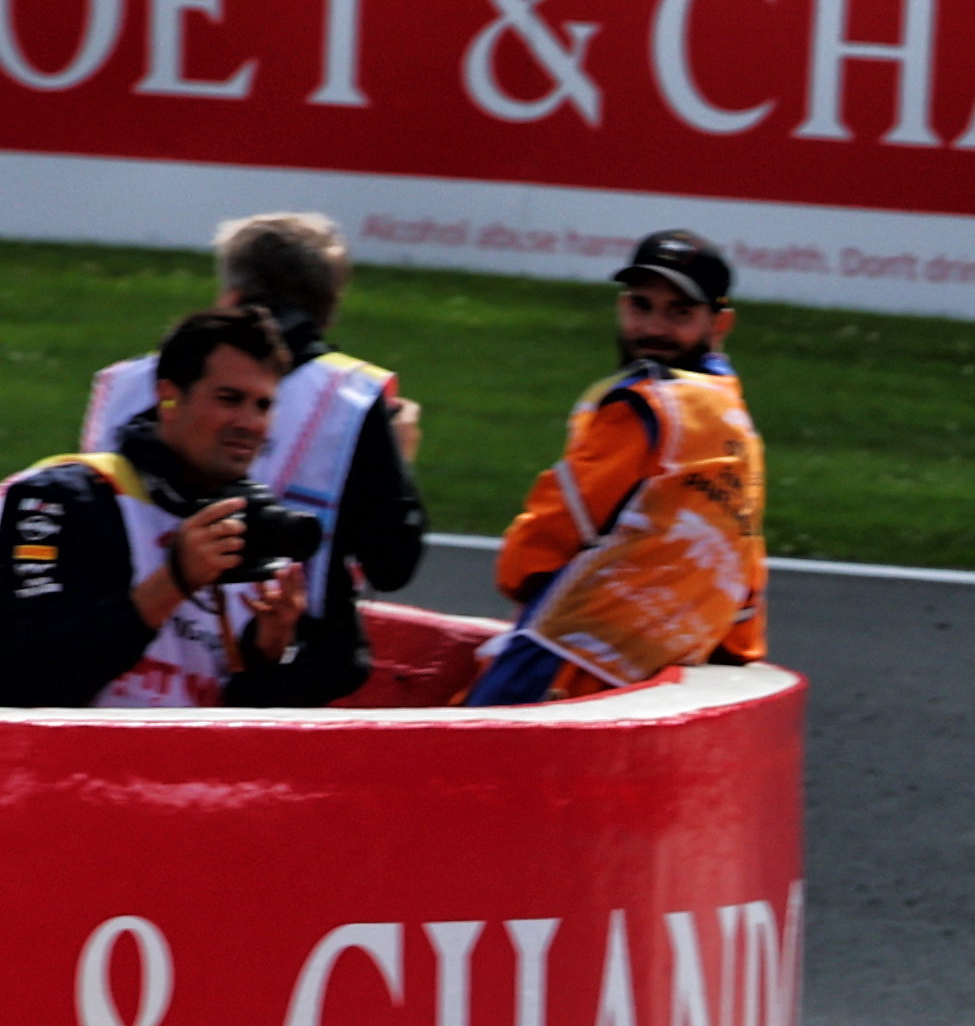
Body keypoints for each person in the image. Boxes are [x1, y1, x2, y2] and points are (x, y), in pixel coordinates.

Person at [1, 308, 368, 708]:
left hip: (186, 769)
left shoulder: (252, 524)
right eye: (230, 399)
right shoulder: (61, 500)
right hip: (65, 767)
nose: (249, 422)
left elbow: (241, 733)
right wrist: (173, 582)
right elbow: (26, 679)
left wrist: (269, 654)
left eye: (263, 406)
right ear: (168, 396)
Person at [473, 228, 769, 708]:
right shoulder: (735, 422)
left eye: (680, 312)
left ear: (720, 323)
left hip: (565, 657)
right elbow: (741, 554)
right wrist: (739, 646)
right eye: (641, 305)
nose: (653, 327)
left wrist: (519, 579)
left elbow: (557, 524)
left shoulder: (647, 405)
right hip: (658, 673)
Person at [76, 210, 425, 597]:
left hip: (132, 625)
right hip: (283, 645)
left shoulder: (123, 381)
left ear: (232, 296)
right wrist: (400, 460)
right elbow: (391, 565)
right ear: (327, 311)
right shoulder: (351, 396)